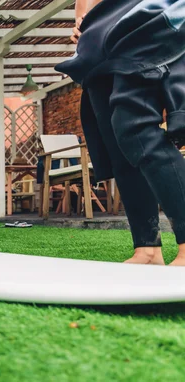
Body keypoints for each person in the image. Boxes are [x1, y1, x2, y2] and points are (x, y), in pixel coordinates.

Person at [58, 0, 185, 265]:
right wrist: (82, 21)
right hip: (99, 45)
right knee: (119, 146)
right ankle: (147, 249)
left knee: (135, 126)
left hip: (143, 22)